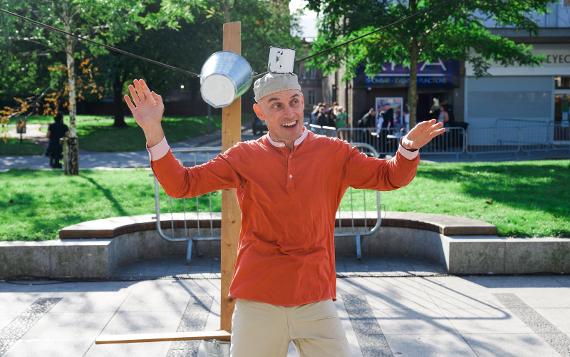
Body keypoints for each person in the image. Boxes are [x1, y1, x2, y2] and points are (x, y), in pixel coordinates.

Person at [123, 75, 444, 357]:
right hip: (257, 299)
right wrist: (153, 129)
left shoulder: (335, 153)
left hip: (315, 298)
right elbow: (182, 184)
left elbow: (390, 177)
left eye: (294, 102)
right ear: (260, 112)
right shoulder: (243, 156)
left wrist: (407, 147)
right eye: (276, 105)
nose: (288, 112)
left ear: (303, 102)